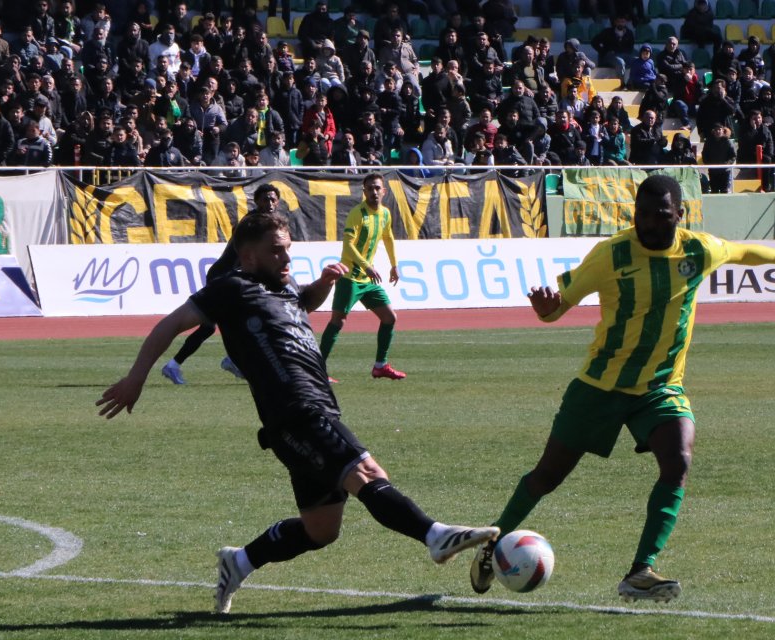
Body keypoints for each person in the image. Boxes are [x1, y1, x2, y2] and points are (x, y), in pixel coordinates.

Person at [97, 211, 499, 615]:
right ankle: (435, 536)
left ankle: (239, 561)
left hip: (311, 410)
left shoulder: (283, 283)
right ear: (249, 257)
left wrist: (323, 285)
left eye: (288, 248)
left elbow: (301, 302)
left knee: (321, 530)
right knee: (369, 474)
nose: (286, 257)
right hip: (294, 410)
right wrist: (136, 378)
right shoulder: (229, 288)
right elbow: (169, 325)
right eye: (276, 251)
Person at [467, 174, 775, 601]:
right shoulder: (612, 254)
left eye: (660, 216)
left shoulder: (698, 248)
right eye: (643, 216)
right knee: (547, 477)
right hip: (599, 387)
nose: (650, 225)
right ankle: (492, 546)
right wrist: (546, 311)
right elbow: (558, 306)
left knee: (678, 462)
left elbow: (742, 250)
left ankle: (640, 571)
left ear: (680, 214)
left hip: (660, 387)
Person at [161, 184, 284, 385]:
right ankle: (230, 361)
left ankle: (175, 365)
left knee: (210, 327)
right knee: (246, 320)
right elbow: (243, 245)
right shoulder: (252, 222)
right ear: (257, 201)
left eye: (273, 199)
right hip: (224, 277)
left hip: (233, 277)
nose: (270, 203)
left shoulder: (266, 222)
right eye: (265, 199)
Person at [319, 173, 407, 381]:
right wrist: (366, 266)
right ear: (364, 192)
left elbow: (388, 237)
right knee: (338, 321)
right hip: (350, 277)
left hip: (367, 281)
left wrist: (394, 265)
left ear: (383, 191)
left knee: (389, 318)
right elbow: (348, 245)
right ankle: (318, 369)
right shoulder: (357, 214)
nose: (374, 192)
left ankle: (380, 365)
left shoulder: (385, 214)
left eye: (377, 188)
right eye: (370, 189)